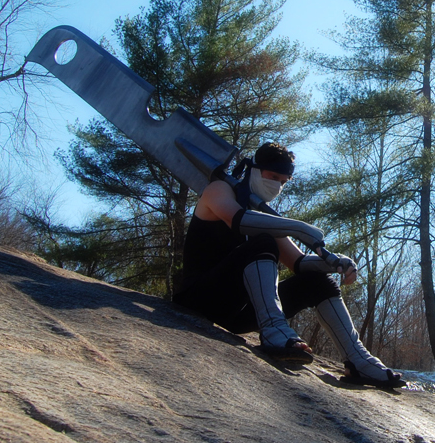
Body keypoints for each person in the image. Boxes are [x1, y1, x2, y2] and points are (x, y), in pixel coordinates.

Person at [173, 142, 405, 388]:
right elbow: (240, 221)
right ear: (254, 169)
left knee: (316, 281)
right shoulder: (218, 190)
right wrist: (297, 226)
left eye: (283, 182)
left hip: (236, 315)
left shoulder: (266, 218)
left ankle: (359, 360)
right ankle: (274, 331)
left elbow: (299, 263)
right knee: (263, 241)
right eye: (273, 177)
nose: (277, 186)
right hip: (199, 299)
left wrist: (335, 261)